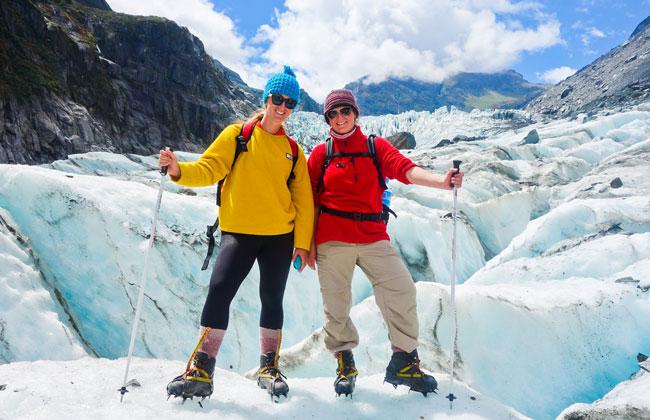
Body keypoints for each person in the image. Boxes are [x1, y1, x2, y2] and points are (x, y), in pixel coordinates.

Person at [160, 66, 314, 401]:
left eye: (290, 102)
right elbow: (209, 167)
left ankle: (268, 368)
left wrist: (302, 244)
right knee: (219, 290)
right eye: (278, 98)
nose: (283, 106)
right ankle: (202, 368)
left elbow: (304, 200)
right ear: (266, 98)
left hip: (279, 237)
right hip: (239, 233)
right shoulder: (238, 135)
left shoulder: (293, 150)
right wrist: (178, 170)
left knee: (272, 299)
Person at [306, 89, 463, 397]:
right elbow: (308, 200)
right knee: (336, 305)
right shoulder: (320, 154)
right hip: (332, 238)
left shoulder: (374, 146)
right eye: (333, 114)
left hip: (373, 236)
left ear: (355, 114)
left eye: (345, 111)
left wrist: (441, 182)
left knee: (401, 289)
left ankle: (404, 361)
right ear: (327, 119)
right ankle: (344, 362)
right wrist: (307, 243)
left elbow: (406, 170)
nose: (340, 118)